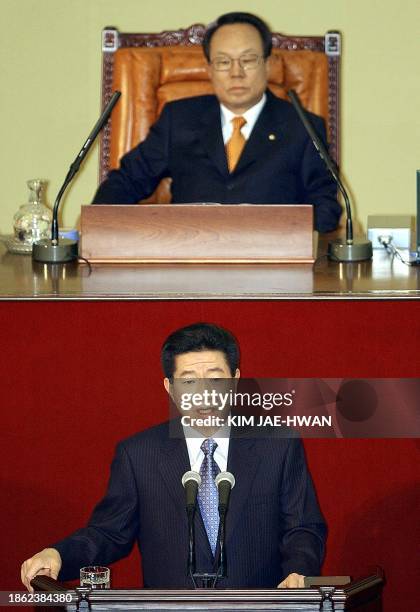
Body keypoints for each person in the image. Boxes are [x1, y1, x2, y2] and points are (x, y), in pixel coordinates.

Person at [21, 322, 326, 591]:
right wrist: (58, 555)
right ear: (169, 387)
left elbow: (303, 527)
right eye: (189, 381)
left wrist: (299, 571)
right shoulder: (139, 455)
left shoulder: (278, 444)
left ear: (235, 381)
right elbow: (109, 533)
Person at [92, 12, 342, 233]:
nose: (236, 73)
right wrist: (99, 226)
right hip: (188, 260)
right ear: (209, 70)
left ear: (267, 65)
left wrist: (287, 240)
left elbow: (325, 206)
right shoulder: (178, 119)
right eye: (223, 62)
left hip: (272, 266)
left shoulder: (302, 127)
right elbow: (127, 181)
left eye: (247, 60)